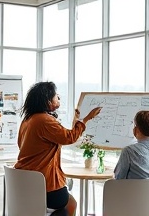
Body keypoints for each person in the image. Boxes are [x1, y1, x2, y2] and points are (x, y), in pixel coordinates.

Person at [14, 81, 102, 216]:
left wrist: (76, 121)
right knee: (70, 204)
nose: (58, 98)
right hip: (45, 185)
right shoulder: (44, 120)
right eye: (56, 96)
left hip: (25, 182)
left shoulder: (28, 120)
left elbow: (23, 144)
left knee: (70, 202)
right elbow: (69, 138)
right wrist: (86, 119)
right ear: (47, 100)